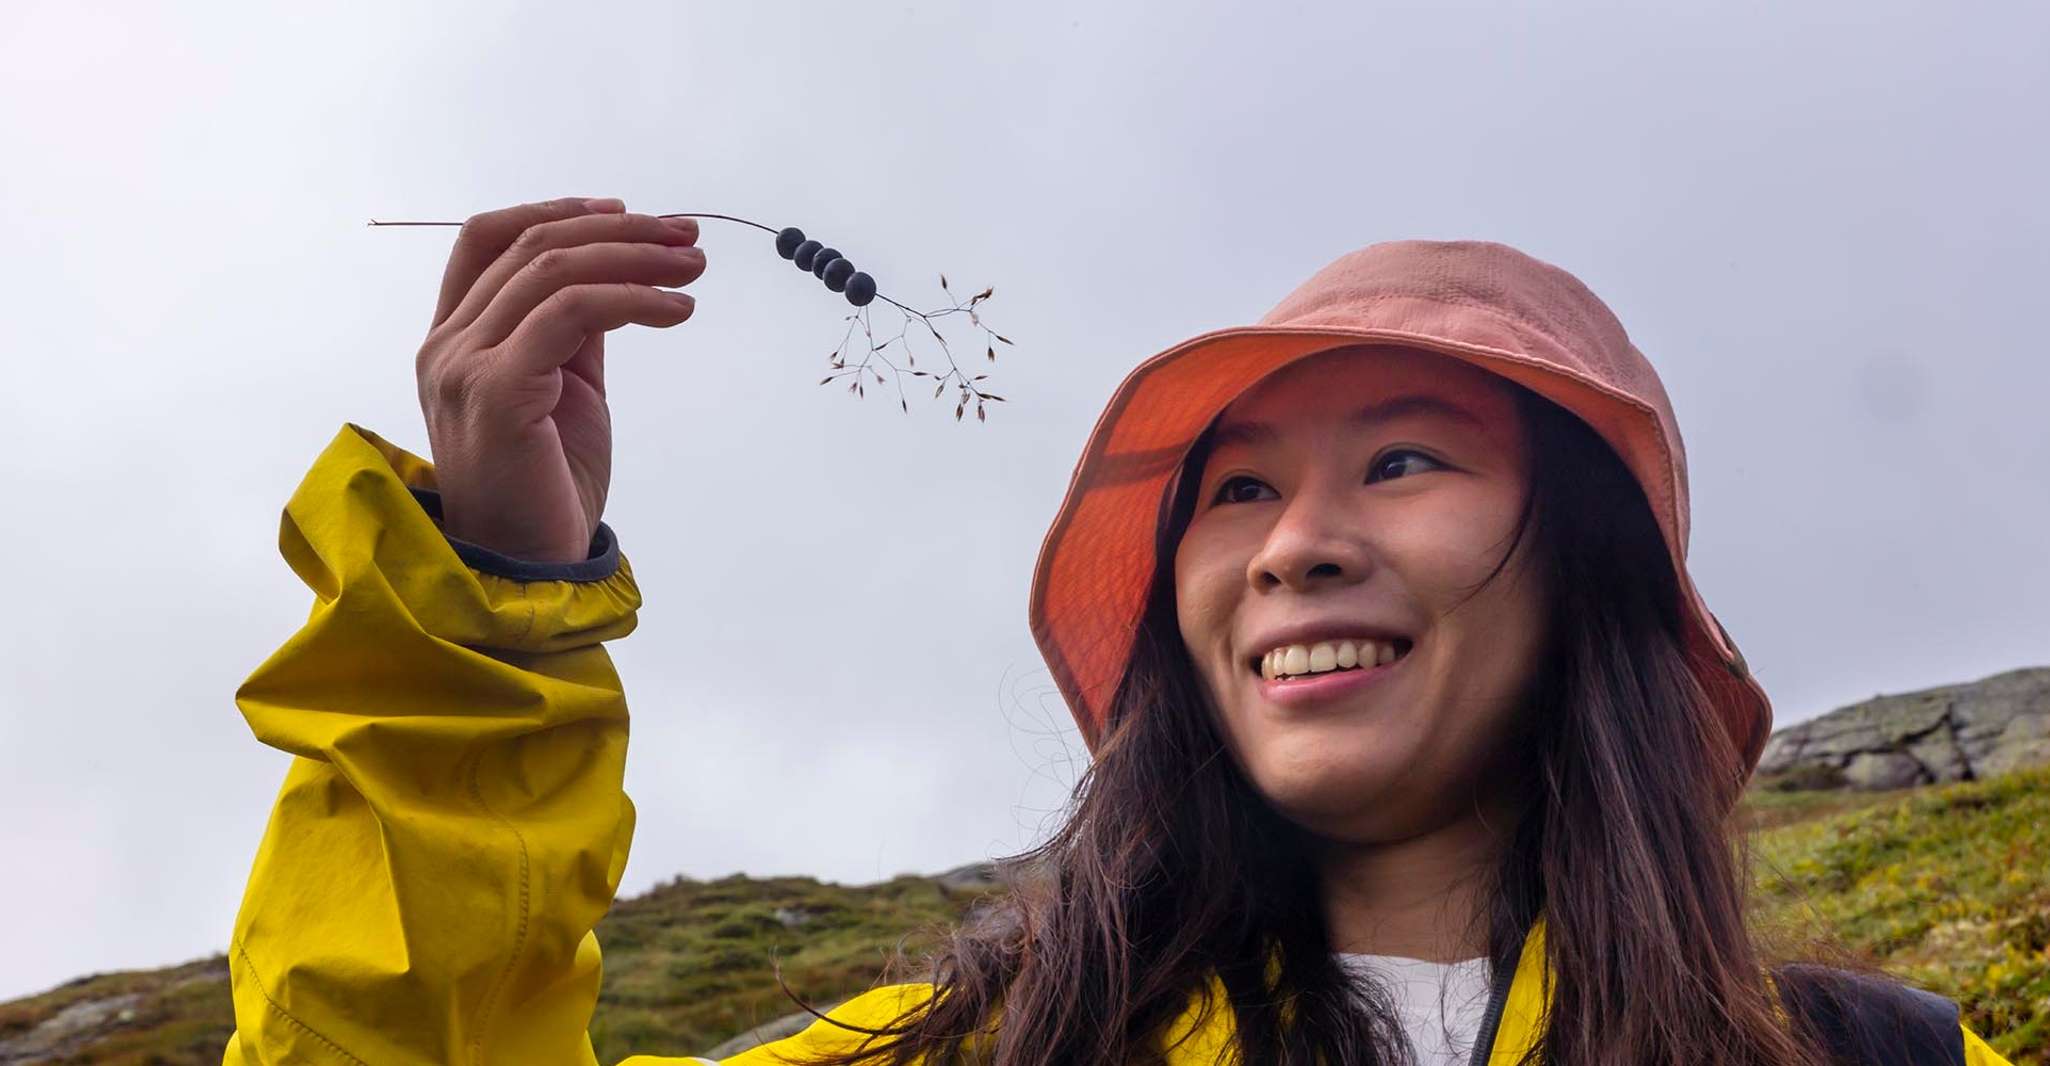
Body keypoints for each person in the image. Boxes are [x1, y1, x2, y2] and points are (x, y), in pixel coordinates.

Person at [219, 196, 2013, 1066]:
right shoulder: (976, 1050)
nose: (1296, 546)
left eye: (1401, 461)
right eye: (1232, 493)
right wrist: (498, 609)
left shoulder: (1884, 1062)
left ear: (1594, 570)